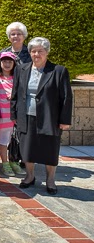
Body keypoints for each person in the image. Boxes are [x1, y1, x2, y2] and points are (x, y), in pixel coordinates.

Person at [11, 37, 72, 195]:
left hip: (49, 117)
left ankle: (50, 179)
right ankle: (29, 176)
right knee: (27, 149)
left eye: (40, 51)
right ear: (29, 52)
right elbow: (15, 93)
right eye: (33, 51)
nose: (36, 54)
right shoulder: (21, 69)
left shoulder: (58, 71)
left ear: (47, 52)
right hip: (26, 115)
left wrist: (65, 120)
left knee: (50, 150)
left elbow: (66, 97)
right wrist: (14, 114)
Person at [0, 51, 23, 177]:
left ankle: (13, 161)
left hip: (16, 115)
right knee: (4, 139)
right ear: (0, 63)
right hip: (3, 115)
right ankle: (5, 163)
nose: (7, 64)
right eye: (4, 61)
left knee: (15, 140)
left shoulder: (18, 78)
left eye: (10, 61)